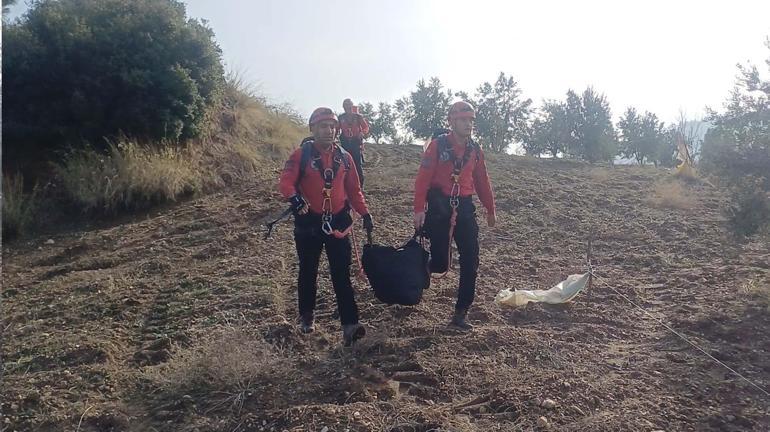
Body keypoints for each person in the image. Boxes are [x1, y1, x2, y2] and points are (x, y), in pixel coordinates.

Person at [278, 107, 374, 346]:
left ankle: (350, 325)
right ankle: (307, 315)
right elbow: (286, 182)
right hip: (308, 222)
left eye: (332, 126)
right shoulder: (301, 155)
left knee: (341, 274)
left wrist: (365, 213)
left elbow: (354, 191)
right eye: (323, 126)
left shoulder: (345, 157)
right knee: (308, 270)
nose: (329, 130)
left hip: (338, 221)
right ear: (313, 128)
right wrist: (294, 198)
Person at [413, 101, 496, 331]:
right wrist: (419, 209)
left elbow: (482, 181)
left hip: (465, 209)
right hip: (439, 208)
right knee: (441, 262)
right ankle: (427, 269)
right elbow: (423, 179)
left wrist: (490, 208)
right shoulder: (437, 147)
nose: (468, 124)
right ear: (451, 121)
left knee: (471, 261)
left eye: (471, 120)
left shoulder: (476, 151)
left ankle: (461, 313)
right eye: (463, 120)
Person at [338, 98, 369, 186]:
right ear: (343, 107)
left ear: (352, 106)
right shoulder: (341, 118)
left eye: (349, 105)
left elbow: (366, 128)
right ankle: (345, 184)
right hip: (345, 142)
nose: (347, 107)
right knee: (344, 164)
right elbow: (336, 129)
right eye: (346, 106)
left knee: (357, 164)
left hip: (355, 142)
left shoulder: (358, 117)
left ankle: (360, 184)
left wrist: (362, 133)